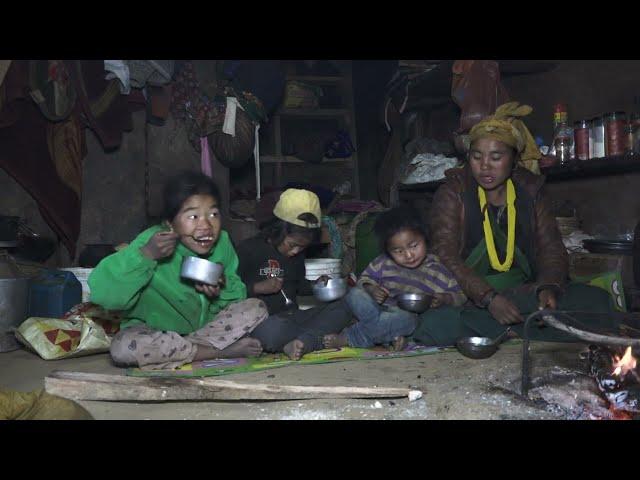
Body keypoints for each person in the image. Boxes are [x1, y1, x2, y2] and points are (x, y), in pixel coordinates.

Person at [412, 102, 615, 346]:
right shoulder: (453, 193)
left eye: (496, 157)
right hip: (471, 299)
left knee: (598, 302)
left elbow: (551, 247)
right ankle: (522, 331)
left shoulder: (530, 191)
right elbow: (445, 255)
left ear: (513, 160)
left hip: (524, 294)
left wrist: (547, 288)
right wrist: (489, 298)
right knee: (434, 324)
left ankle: (506, 332)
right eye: (476, 157)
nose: (485, 165)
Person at [89, 171, 267, 370]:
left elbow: (237, 298)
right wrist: (146, 256)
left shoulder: (222, 243)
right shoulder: (149, 243)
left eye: (213, 214)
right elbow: (105, 297)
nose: (206, 225)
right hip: (153, 331)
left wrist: (221, 287)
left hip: (204, 332)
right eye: (193, 216)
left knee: (256, 307)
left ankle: (184, 350)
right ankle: (219, 352)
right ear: (169, 224)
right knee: (123, 347)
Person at [323, 206, 466, 351]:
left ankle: (351, 337)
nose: (409, 255)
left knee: (408, 320)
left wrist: (444, 299)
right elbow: (364, 280)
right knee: (354, 293)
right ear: (388, 250)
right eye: (398, 251)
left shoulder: (437, 269)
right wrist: (371, 289)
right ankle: (389, 338)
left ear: (425, 238)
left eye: (414, 245)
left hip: (404, 317)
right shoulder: (383, 263)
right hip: (375, 310)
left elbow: (460, 296)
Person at [237, 189, 353, 360]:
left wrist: (316, 285)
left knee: (346, 306)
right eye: (292, 245)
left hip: (293, 317)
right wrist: (257, 288)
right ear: (277, 229)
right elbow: (228, 294)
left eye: (302, 248)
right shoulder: (249, 250)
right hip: (265, 323)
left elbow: (299, 286)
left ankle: (301, 341)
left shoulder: (296, 255)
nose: (295, 251)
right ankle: (311, 339)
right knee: (272, 332)